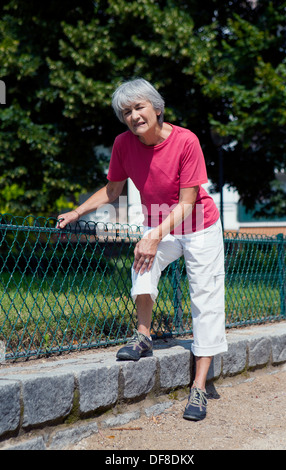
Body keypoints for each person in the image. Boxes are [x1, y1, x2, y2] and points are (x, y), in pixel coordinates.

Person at [57, 78, 228, 421]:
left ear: (156, 108)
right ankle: (144, 336)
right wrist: (77, 212)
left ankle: (198, 387)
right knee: (142, 264)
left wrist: (154, 234)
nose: (133, 116)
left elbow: (188, 201)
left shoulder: (186, 141)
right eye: (126, 112)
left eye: (139, 107)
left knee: (206, 299)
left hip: (199, 224)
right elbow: (112, 188)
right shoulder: (123, 144)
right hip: (163, 222)